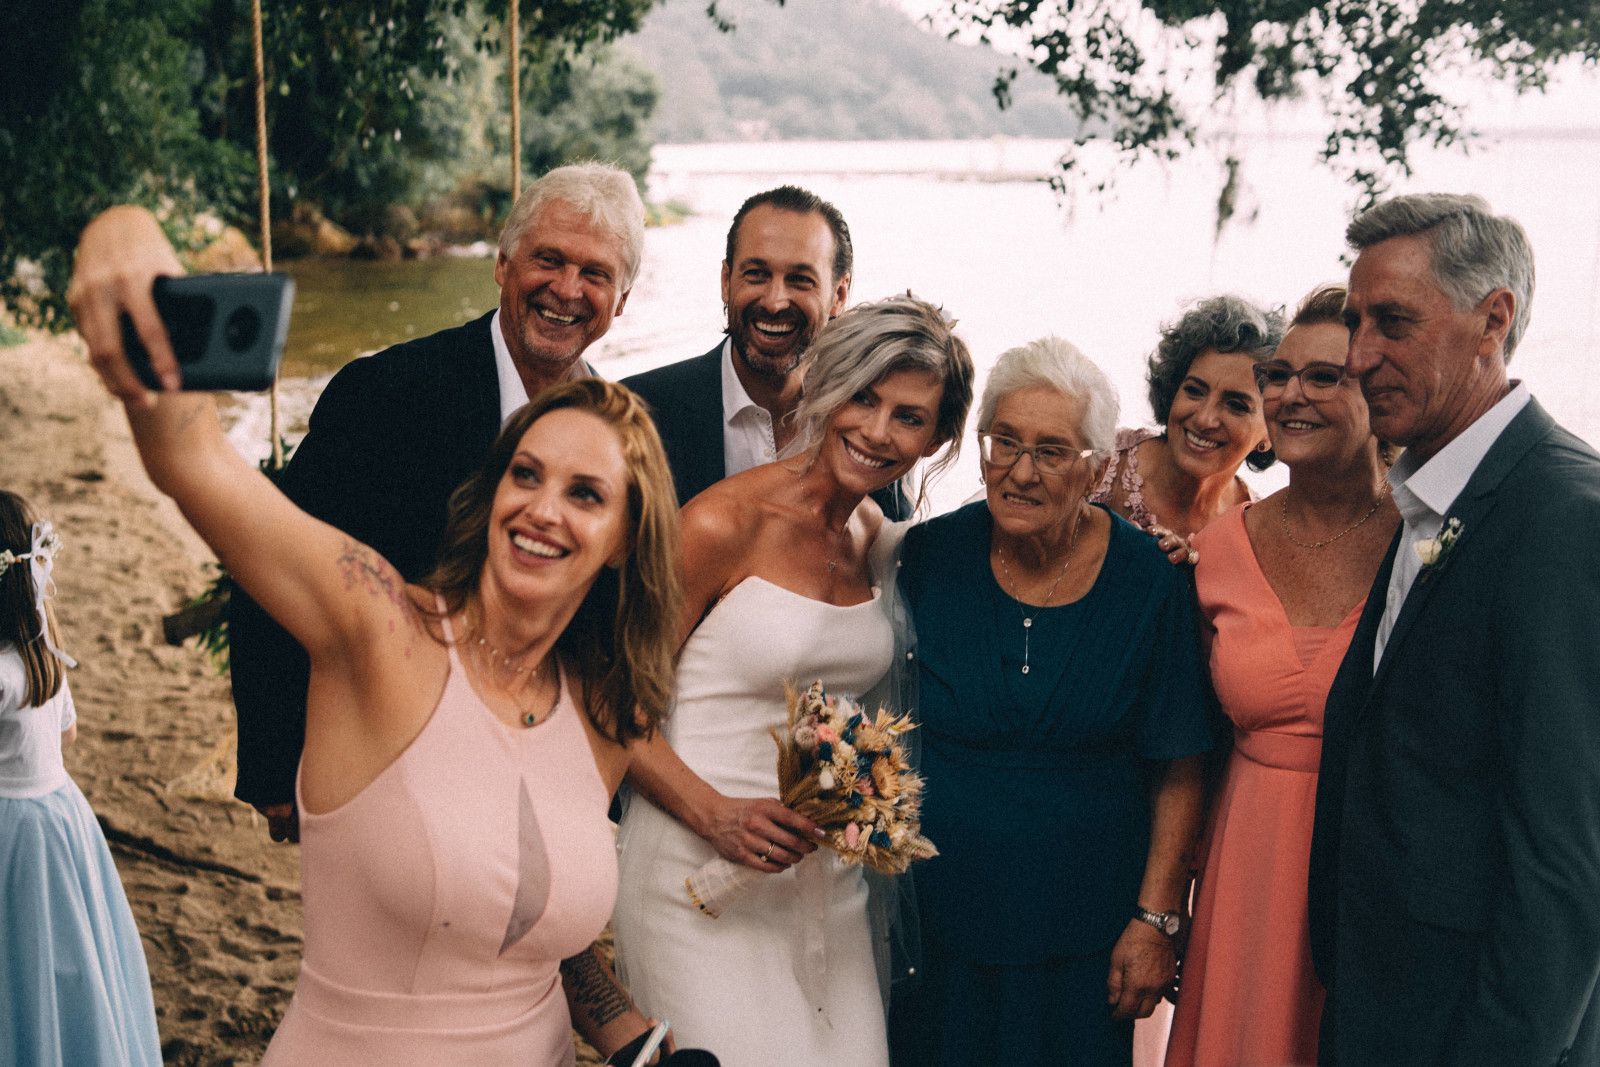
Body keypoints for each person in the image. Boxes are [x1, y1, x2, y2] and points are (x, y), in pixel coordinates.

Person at [67, 317, 682, 1064]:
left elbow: (530, 928)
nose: (542, 509)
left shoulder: (605, 711)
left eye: (585, 493)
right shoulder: (381, 631)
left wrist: (632, 1035)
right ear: (492, 490)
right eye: (526, 473)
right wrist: (136, 263)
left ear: (624, 537)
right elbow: (193, 459)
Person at [66, 161, 645, 840]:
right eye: (549, 260)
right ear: (503, 263)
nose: (567, 290)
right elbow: (273, 566)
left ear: (623, 300)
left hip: (531, 769)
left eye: (596, 274)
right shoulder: (386, 393)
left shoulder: (617, 439)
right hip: (383, 758)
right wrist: (274, 760)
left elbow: (611, 627)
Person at [611, 294, 975, 1067]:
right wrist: (715, 816)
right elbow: (610, 703)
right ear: (824, 385)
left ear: (937, 436)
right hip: (697, 872)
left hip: (828, 884)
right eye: (863, 395)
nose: (877, 430)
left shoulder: (877, 536)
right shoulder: (719, 525)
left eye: (908, 417)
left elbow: (997, 549)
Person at [1308, 193, 1600, 1065]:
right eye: (1356, 322)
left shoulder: (1564, 519)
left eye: (1392, 322)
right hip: (1379, 1005)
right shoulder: (1432, 490)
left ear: (1493, 320)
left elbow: (1568, 866)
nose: (1359, 357)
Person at [889, 337, 1214, 1067]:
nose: (1020, 471)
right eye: (1003, 441)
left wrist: (1156, 919)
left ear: (1098, 465)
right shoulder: (929, 557)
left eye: (1051, 450)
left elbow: (1181, 766)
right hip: (938, 924)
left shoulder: (1149, 580)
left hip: (1087, 942)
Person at [1164, 285, 1398, 1067]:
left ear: (1380, 387)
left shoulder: (1427, 544)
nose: (1291, 393)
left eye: (1324, 376)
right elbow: (1184, 743)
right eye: (1280, 373)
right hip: (1245, 869)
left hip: (1373, 869)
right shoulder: (1218, 549)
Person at [622, 185, 906, 518]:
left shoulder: (871, 421)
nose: (774, 302)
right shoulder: (637, 411)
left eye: (800, 280)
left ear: (839, 295)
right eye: (756, 275)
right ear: (726, 281)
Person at [0, 491, 162, 1067]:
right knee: (65, 953)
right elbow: (67, 733)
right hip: (61, 816)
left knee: (17, 955)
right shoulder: (44, 652)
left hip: (12, 829)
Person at [1091, 295, 1281, 560]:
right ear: (1172, 390)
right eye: (1194, 391)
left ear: (1272, 430)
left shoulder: (1259, 535)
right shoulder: (1098, 462)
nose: (1204, 419)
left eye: (1236, 405)